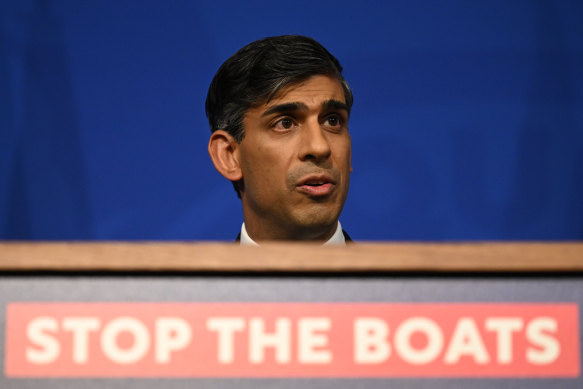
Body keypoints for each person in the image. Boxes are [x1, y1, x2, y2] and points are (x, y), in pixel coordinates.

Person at [206, 35, 353, 245]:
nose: (320, 147)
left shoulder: (406, 278)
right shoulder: (180, 280)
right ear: (229, 156)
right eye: (285, 123)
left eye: (332, 120)